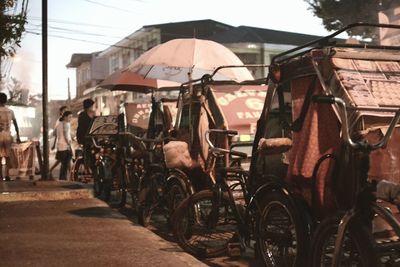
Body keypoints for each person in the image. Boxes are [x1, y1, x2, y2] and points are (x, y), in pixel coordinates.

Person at [0, 93, 21, 181]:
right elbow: (16, 124)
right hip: (8, 135)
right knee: (8, 156)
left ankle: (0, 176)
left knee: (0, 156)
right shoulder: (10, 111)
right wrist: (18, 136)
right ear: (6, 100)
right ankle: (7, 175)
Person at [76, 99, 95, 172]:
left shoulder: (93, 114)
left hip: (92, 136)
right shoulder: (82, 115)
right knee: (87, 151)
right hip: (84, 136)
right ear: (88, 106)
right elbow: (81, 127)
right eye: (91, 106)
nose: (92, 107)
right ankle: (87, 168)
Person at [49, 105, 67, 177]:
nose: (66, 112)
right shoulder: (59, 120)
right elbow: (55, 132)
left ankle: (70, 176)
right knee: (62, 159)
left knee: (64, 160)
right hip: (61, 143)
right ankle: (49, 170)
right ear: (61, 112)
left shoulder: (66, 120)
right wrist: (54, 144)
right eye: (64, 111)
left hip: (65, 142)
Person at [55, 111, 73, 180]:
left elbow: (57, 134)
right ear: (65, 117)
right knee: (66, 163)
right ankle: (64, 178)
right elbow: (66, 134)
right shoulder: (66, 124)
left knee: (64, 164)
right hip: (65, 146)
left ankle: (62, 178)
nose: (70, 119)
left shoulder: (59, 124)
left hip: (60, 146)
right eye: (69, 117)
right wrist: (69, 143)